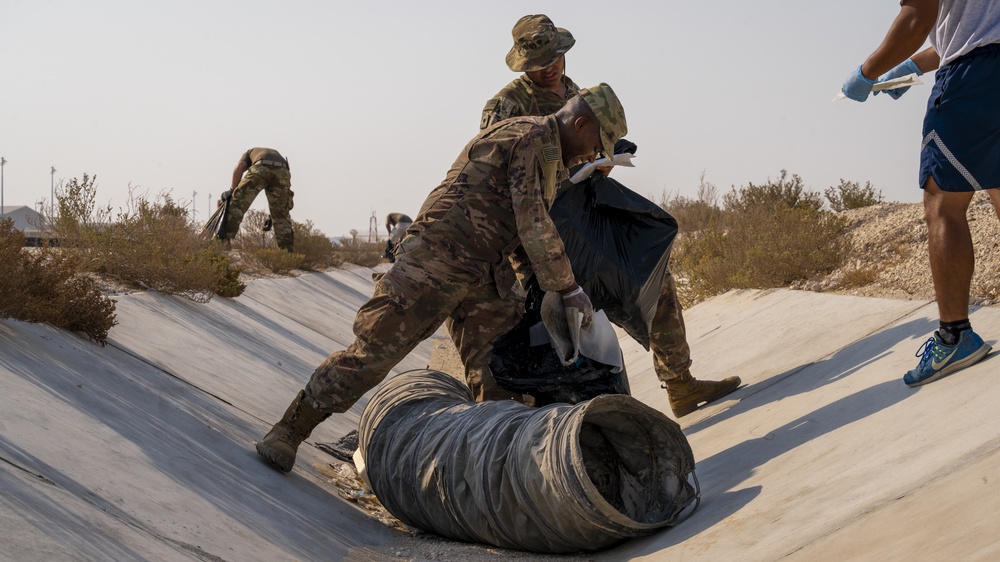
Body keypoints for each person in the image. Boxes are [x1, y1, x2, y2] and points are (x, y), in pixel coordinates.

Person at [255, 83, 628, 473]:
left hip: (485, 276)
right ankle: (289, 430)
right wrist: (569, 288)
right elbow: (534, 224)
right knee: (371, 356)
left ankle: (495, 474)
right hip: (435, 263)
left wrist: (538, 291)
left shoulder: (548, 152)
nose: (594, 155)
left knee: (501, 373)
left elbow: (519, 231)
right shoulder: (530, 137)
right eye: (596, 144)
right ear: (581, 123)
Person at [461, 14, 740, 417]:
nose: (551, 67)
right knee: (565, 325)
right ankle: (582, 423)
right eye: (540, 63)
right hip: (543, 229)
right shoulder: (506, 105)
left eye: (555, 57)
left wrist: (602, 158)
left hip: (588, 213)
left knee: (652, 275)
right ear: (524, 64)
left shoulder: (574, 91)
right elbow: (502, 176)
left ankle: (680, 383)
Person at [841, 0, 997, 386]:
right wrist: (913, 66)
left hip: (974, 79)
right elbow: (977, 26)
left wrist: (865, 73)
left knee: (943, 203)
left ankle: (954, 335)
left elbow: (917, 18)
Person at [219, 147, 294, 252]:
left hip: (261, 168)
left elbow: (240, 167)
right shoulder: (275, 153)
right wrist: (273, 215)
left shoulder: (249, 152)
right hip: (283, 171)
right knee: (281, 214)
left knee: (237, 204)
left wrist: (232, 190)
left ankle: (224, 242)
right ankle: (287, 252)